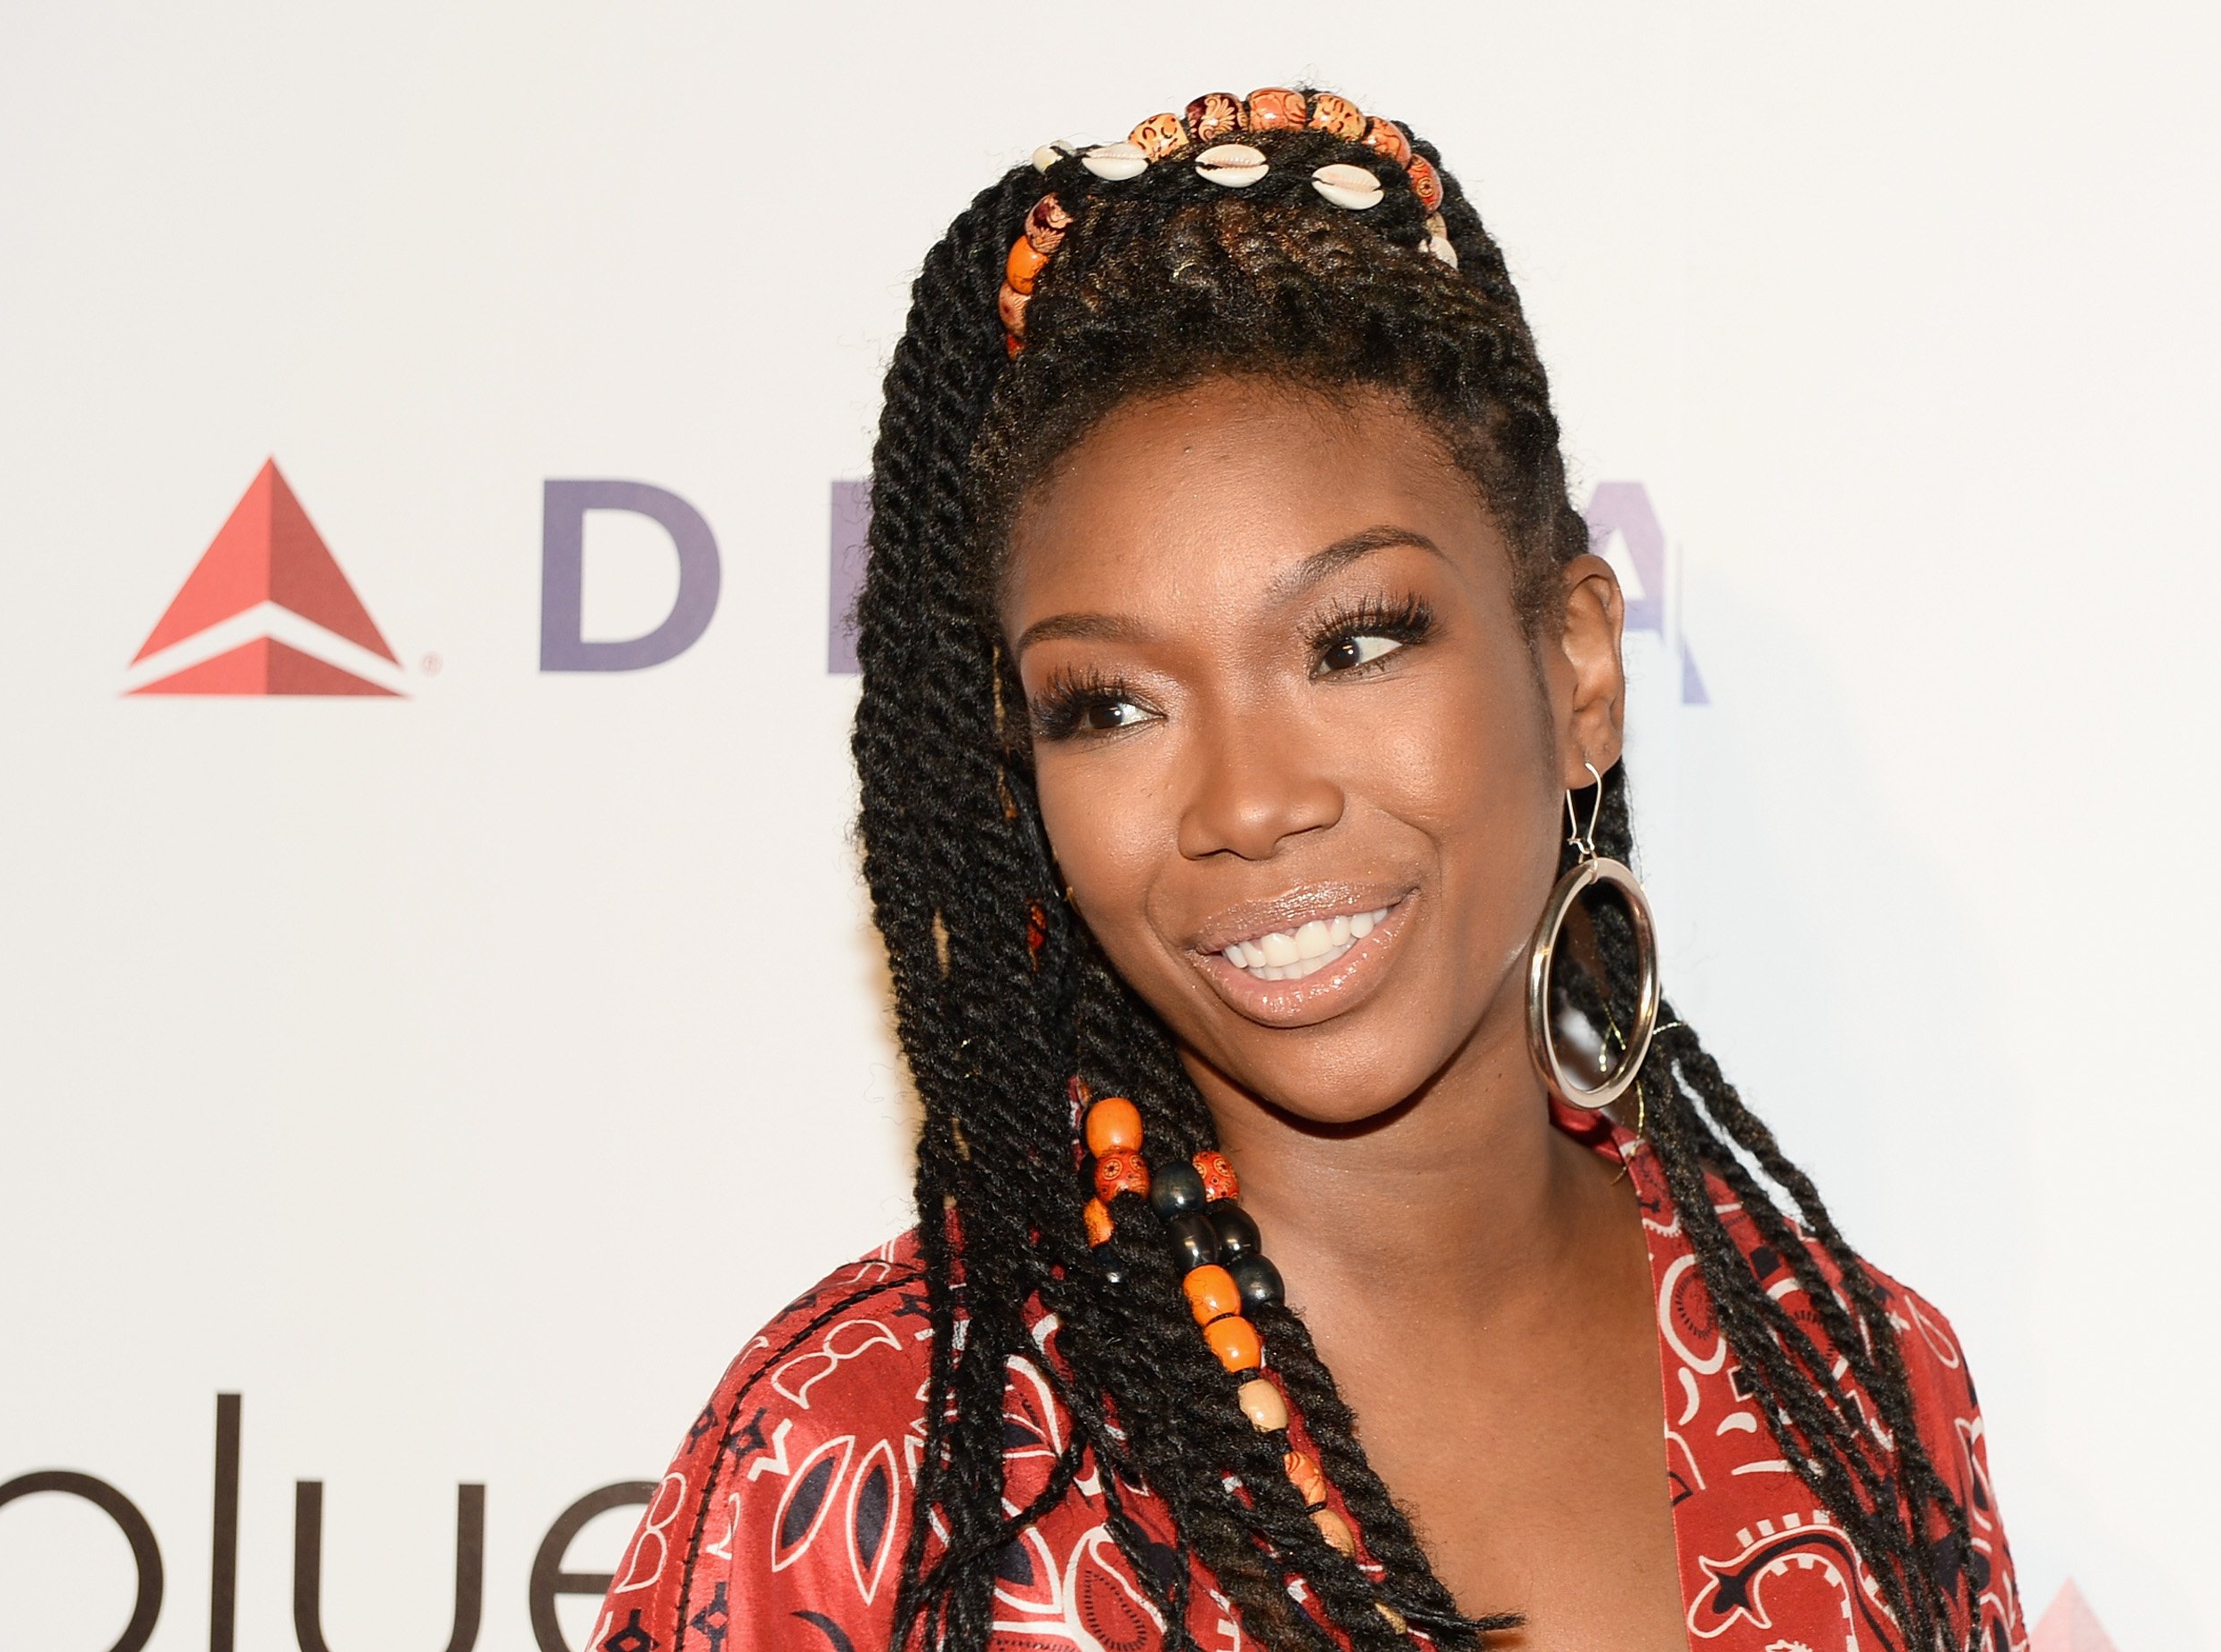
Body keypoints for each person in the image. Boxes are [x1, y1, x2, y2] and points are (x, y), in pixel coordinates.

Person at [593, 85, 2021, 1652]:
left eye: (1355, 644)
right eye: (1111, 706)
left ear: (1579, 669)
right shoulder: (880, 1449)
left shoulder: (1855, 1387)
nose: (1247, 807)